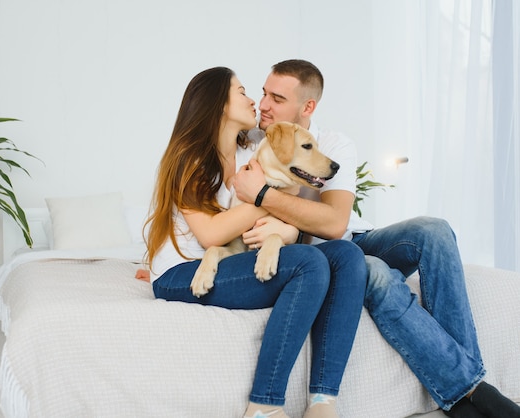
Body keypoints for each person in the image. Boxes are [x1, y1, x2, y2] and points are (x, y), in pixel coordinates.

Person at [233, 59, 520, 418]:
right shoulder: (249, 146)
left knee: (435, 230)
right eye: (263, 93)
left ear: (307, 107)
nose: (263, 104)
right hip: (330, 259)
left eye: (276, 97)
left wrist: (263, 194)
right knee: (376, 273)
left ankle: (467, 387)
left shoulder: (334, 144)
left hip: (357, 236)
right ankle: (471, 392)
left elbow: (336, 222)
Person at [145, 66, 367, 418]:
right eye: (243, 91)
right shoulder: (189, 157)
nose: (256, 102)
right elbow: (212, 235)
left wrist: (278, 214)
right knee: (309, 263)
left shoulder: (250, 155)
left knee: (346, 254)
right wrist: (262, 197)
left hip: (230, 260)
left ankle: (323, 402)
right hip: (182, 272)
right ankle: (263, 407)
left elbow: (281, 204)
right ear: (218, 104)